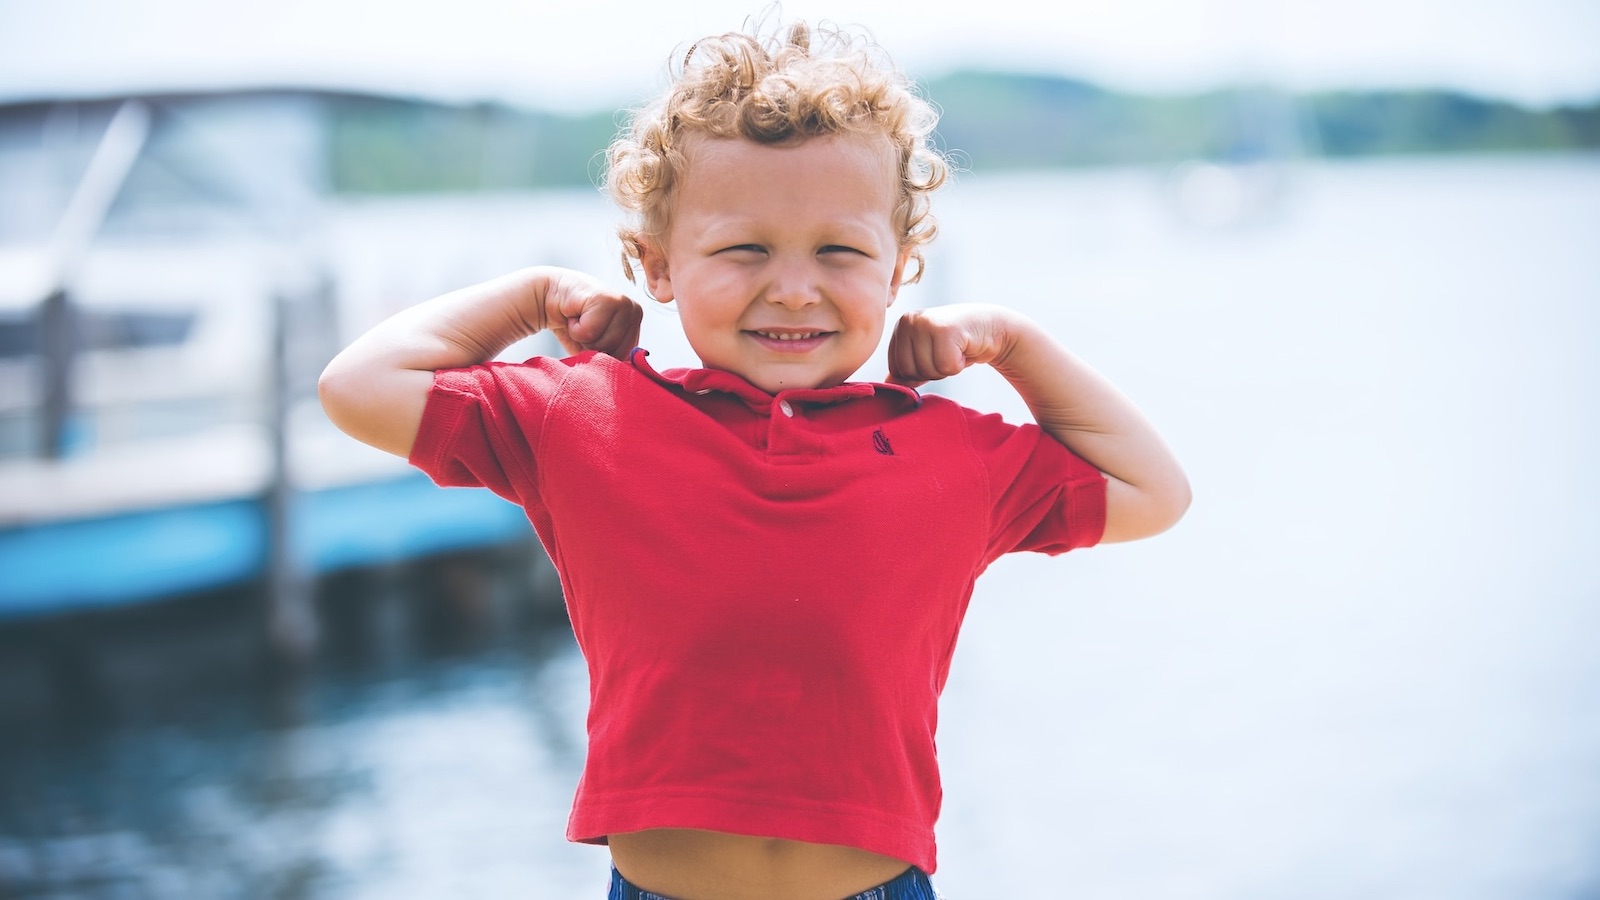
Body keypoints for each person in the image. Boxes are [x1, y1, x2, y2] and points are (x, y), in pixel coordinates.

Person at [319, 16, 1190, 900]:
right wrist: (531, 295)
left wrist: (1015, 344)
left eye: (840, 251)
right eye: (745, 248)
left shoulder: (950, 450)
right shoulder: (586, 414)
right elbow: (358, 385)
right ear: (657, 266)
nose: (794, 286)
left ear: (898, 273)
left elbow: (1155, 492)